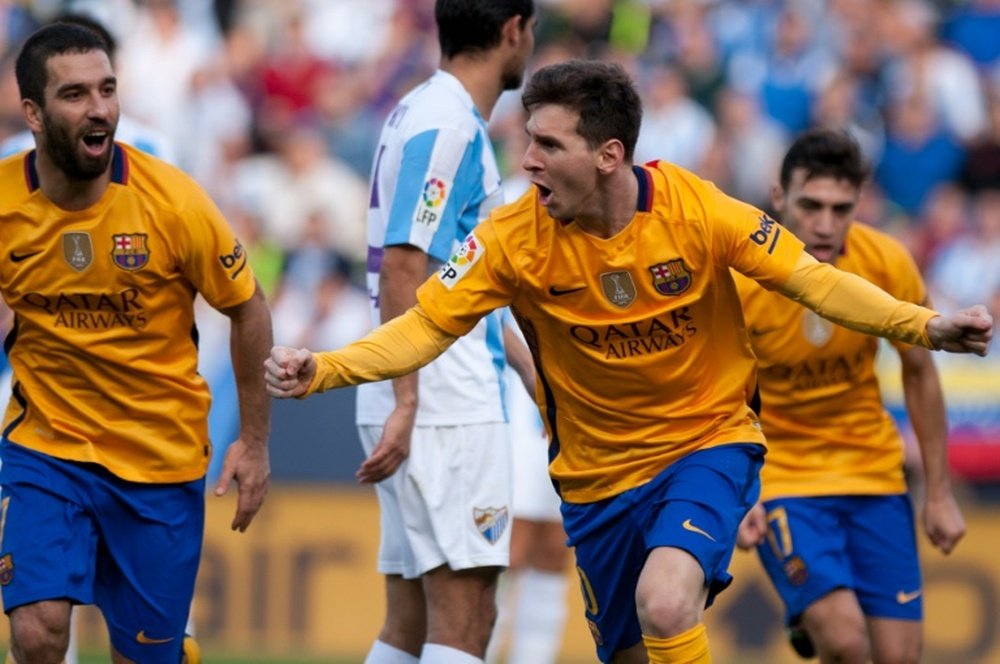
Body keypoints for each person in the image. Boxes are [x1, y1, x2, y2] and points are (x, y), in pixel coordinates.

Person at [264, 60, 993, 664]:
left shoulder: (698, 212)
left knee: (667, 601)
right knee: (635, 648)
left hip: (706, 445)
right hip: (597, 479)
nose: (527, 161)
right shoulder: (512, 238)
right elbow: (423, 327)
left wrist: (926, 327)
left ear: (608, 155)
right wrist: (325, 369)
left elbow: (817, 282)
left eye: (548, 145)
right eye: (527, 141)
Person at [0, 23, 272, 664]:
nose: (98, 108)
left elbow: (249, 308)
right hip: (48, 448)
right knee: (36, 632)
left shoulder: (173, 203)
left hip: (159, 460)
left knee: (144, 656)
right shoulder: (5, 201)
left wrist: (255, 442)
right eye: (75, 94)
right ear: (33, 113)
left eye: (107, 89)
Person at [734, 129, 966, 663]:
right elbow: (717, 394)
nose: (824, 223)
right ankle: (814, 620)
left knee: (899, 657)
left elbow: (920, 373)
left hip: (873, 473)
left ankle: (807, 620)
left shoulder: (886, 261)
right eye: (810, 205)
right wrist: (742, 491)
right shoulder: (741, 276)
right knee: (845, 641)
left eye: (841, 209)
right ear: (778, 198)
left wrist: (938, 493)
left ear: (858, 205)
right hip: (785, 478)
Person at [350, 2, 535, 663]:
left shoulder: (419, 109)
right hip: (441, 400)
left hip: (420, 390)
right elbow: (405, 264)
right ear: (514, 28)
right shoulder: (449, 126)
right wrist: (409, 400)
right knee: (467, 617)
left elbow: (457, 280)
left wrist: (527, 371)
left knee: (409, 620)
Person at [486, 314, 570, 664]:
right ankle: (477, 653)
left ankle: (535, 658)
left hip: (571, 419)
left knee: (554, 552)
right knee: (507, 553)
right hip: (519, 417)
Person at [0, 12, 176, 164]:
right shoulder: (14, 156)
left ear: (114, 69)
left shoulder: (150, 149)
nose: (96, 109)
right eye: (74, 93)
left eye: (104, 87)